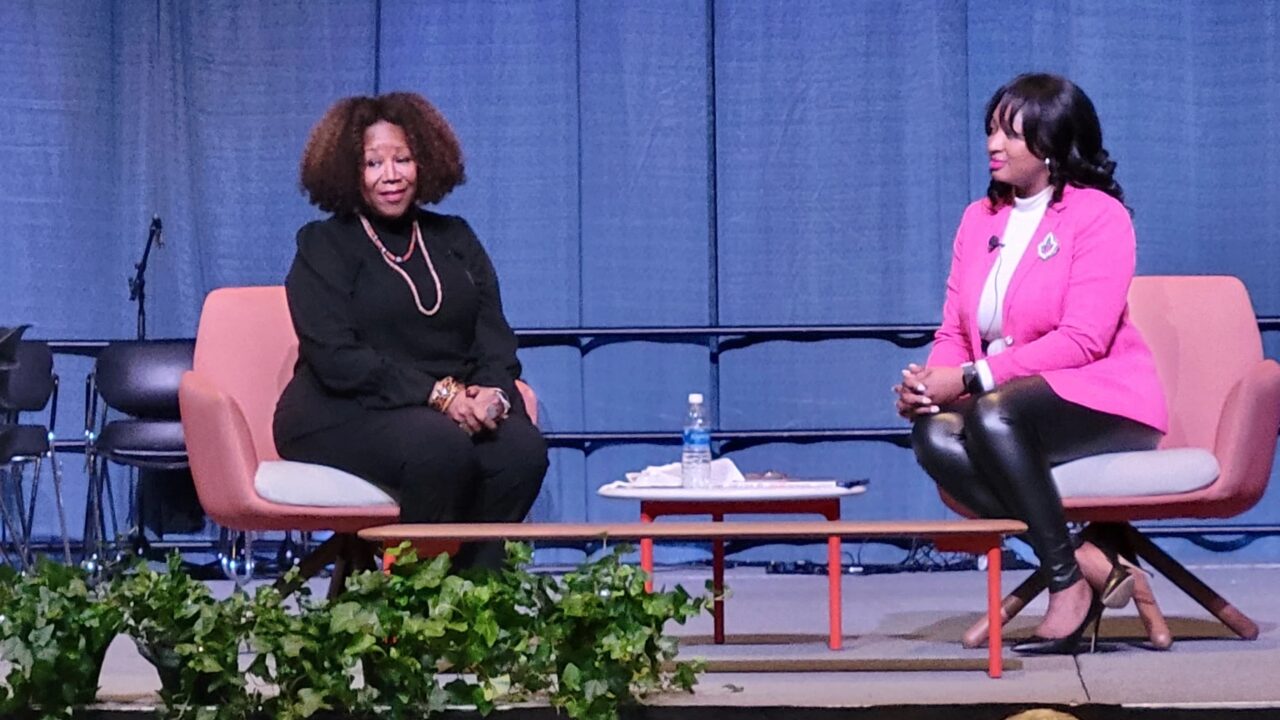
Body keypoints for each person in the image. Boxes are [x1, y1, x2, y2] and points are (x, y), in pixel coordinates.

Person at [898, 73, 1168, 654]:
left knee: (993, 413)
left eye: (1011, 134)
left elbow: (1083, 340)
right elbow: (954, 332)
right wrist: (930, 385)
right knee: (935, 435)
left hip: (1105, 401)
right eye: (991, 130)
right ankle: (1083, 563)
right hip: (1013, 403)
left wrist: (969, 379)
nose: (993, 144)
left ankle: (1065, 590)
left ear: (1052, 144)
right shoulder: (979, 219)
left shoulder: (1098, 216)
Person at [273, 92, 548, 570]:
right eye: (373, 163)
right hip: (340, 411)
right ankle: (413, 611)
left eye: (403, 159)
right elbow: (338, 358)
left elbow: (494, 340)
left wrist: (493, 397)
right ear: (347, 170)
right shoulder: (324, 245)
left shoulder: (456, 239)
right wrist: (441, 397)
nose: (391, 175)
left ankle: (470, 601)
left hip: (446, 413)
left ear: (425, 161)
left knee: (521, 451)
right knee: (438, 447)